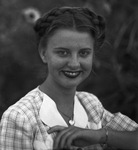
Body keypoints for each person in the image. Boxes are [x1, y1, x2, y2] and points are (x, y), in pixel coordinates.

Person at [0, 6, 138, 150]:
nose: (74, 63)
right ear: (43, 53)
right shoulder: (20, 118)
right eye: (63, 53)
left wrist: (101, 135)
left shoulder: (90, 105)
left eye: (84, 53)